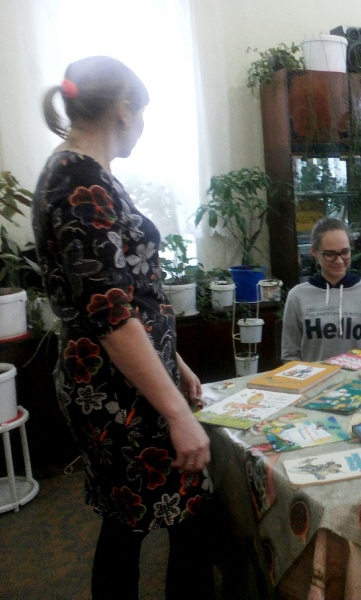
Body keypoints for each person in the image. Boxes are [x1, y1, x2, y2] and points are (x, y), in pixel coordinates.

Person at [32, 56, 214, 600]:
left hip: (127, 380)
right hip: (119, 390)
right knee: (176, 515)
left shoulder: (82, 173)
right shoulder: (79, 182)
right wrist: (177, 414)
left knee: (132, 519)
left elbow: (129, 296)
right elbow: (112, 320)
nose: (144, 125)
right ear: (124, 109)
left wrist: (176, 362)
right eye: (145, 113)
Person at [282, 217, 361, 362]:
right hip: (315, 375)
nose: (339, 260)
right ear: (314, 252)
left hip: (360, 375)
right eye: (329, 254)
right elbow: (290, 355)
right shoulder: (297, 296)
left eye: (345, 252)